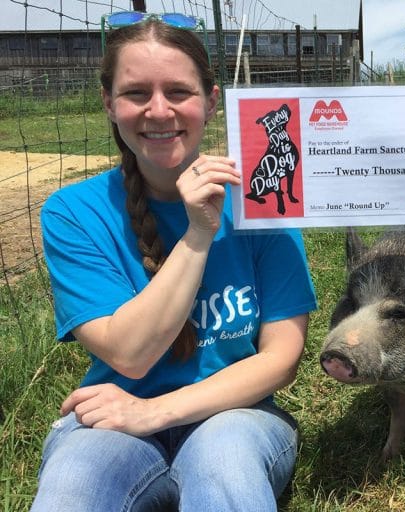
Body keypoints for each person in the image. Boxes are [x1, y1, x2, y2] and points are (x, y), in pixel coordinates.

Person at [31, 13, 317, 511]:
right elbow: (130, 355)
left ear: (211, 101)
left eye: (179, 92)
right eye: (136, 93)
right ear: (108, 103)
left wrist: (154, 412)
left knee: (225, 462)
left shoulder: (263, 202)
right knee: (74, 482)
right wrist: (198, 234)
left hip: (233, 412)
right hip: (113, 417)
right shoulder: (73, 213)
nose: (159, 111)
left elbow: (281, 359)